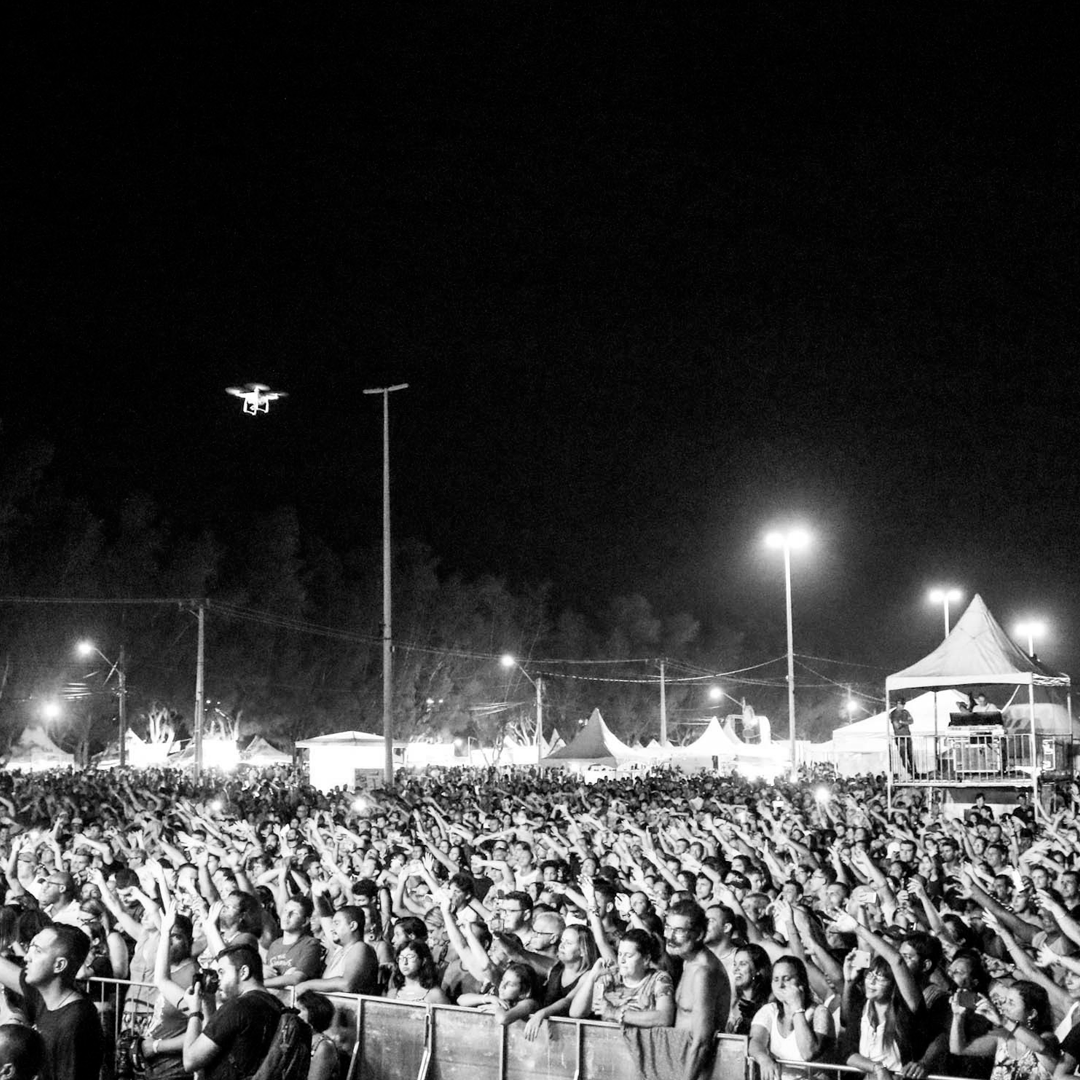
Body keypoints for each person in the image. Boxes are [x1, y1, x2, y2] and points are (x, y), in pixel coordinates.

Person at [0, 923, 104, 1080]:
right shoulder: (43, 995)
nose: (27, 957)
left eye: (37, 951)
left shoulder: (76, 1020)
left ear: (59, 965)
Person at [181, 941, 285, 1080]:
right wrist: (208, 1003)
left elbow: (190, 1060)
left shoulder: (237, 1007)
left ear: (243, 972)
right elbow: (217, 1040)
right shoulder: (277, 1005)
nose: (218, 981)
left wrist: (195, 1011)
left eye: (222, 972)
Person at [665, 899, 727, 1080]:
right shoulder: (688, 961)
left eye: (679, 931)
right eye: (668, 928)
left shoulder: (704, 972)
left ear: (699, 934)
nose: (670, 937)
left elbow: (702, 1042)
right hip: (682, 1066)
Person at [951, 980, 1058, 1080]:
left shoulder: (1048, 1038)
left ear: (1031, 1014)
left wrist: (1003, 1021)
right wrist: (957, 1017)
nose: (1003, 1007)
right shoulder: (1002, 1039)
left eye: (1011, 1003)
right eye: (1005, 1001)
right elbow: (959, 1049)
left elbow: (1040, 1047)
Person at [749, 955, 834, 1080]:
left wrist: (797, 1008)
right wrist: (763, 1058)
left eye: (786, 979)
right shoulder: (769, 1010)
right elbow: (756, 1041)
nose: (780, 985)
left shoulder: (820, 1012)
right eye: (776, 979)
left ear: (802, 982)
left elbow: (808, 1053)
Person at [569, 927, 675, 1028]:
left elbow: (664, 1018)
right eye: (620, 954)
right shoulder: (610, 978)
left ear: (646, 959)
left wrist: (614, 1012)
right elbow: (575, 1013)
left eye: (628, 956)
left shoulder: (659, 979)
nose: (622, 960)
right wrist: (592, 977)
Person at [728, 944, 773, 1035]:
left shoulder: (770, 1003)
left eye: (742, 964)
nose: (735, 969)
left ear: (758, 970)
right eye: (735, 964)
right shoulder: (731, 1002)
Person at [297, 990, 342, 1080]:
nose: (296, 1014)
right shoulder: (298, 1039)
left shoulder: (324, 1046)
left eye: (301, 1010)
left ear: (314, 1013)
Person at [387, 940, 450, 1004]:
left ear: (423, 960)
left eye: (410, 957)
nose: (405, 962)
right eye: (401, 958)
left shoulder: (435, 995)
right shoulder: (393, 994)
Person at [891, 698, 915, 778]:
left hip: (907, 736)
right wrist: (904, 723)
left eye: (903, 704)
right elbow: (896, 726)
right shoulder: (893, 713)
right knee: (903, 756)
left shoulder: (905, 712)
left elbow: (911, 721)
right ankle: (910, 771)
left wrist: (902, 722)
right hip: (899, 737)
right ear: (897, 704)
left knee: (910, 755)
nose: (902, 706)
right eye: (901, 704)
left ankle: (914, 772)